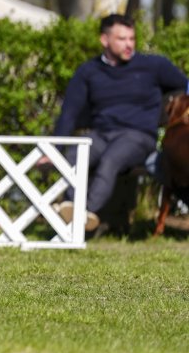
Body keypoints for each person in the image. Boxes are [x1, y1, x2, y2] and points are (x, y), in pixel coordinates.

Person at [52, 13, 188, 232]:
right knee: (76, 154)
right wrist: (53, 149)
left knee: (111, 160)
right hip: (101, 133)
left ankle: (86, 213)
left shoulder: (153, 65)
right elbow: (70, 112)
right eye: (122, 39)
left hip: (138, 136)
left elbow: (186, 85)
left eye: (132, 39)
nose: (129, 45)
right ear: (104, 40)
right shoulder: (88, 71)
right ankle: (71, 206)